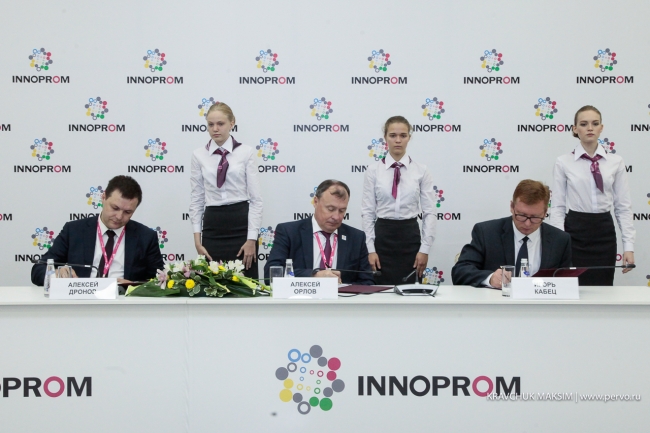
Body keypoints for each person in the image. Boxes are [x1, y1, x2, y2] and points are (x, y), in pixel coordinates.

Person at [550, 105, 635, 286]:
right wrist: (559, 244)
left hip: (604, 232)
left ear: (601, 128)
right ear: (575, 129)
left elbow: (623, 207)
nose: (590, 128)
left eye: (595, 123)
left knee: (603, 289)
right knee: (572, 288)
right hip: (574, 232)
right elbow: (557, 207)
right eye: (584, 124)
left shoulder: (616, 161)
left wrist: (629, 247)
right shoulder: (563, 162)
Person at [31, 175, 163, 286]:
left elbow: (159, 281)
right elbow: (38, 270)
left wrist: (133, 286)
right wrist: (55, 275)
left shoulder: (146, 237)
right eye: (115, 208)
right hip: (81, 301)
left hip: (123, 302)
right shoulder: (74, 230)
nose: (119, 216)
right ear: (103, 197)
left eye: (128, 212)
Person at [451, 180, 572, 288]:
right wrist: (490, 278)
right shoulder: (486, 232)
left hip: (542, 305)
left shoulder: (560, 240)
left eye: (535, 217)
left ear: (545, 213)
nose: (527, 224)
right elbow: (460, 272)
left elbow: (568, 282)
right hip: (497, 304)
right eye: (521, 215)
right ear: (512, 207)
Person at [189, 102, 262, 278]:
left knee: (245, 284)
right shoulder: (198, 155)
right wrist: (197, 241)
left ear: (232, 123)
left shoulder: (246, 152)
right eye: (211, 124)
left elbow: (256, 200)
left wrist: (251, 239)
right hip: (213, 225)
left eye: (220, 124)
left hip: (241, 224)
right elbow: (197, 199)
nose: (215, 129)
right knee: (213, 284)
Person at [361, 116, 436, 285]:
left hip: (410, 236)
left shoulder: (421, 171)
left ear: (409, 137)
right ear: (385, 137)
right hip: (382, 237)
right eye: (393, 135)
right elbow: (367, 212)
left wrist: (425, 249)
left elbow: (430, 212)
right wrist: (370, 249)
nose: (398, 140)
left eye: (403, 135)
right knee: (381, 291)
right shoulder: (373, 170)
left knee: (409, 291)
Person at [264, 180, 374, 285]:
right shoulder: (289, 232)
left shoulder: (356, 238)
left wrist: (341, 286)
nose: (336, 217)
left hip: (340, 298)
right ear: (316, 202)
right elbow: (271, 274)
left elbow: (367, 282)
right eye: (330, 209)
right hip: (301, 297)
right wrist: (314, 276)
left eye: (342, 210)